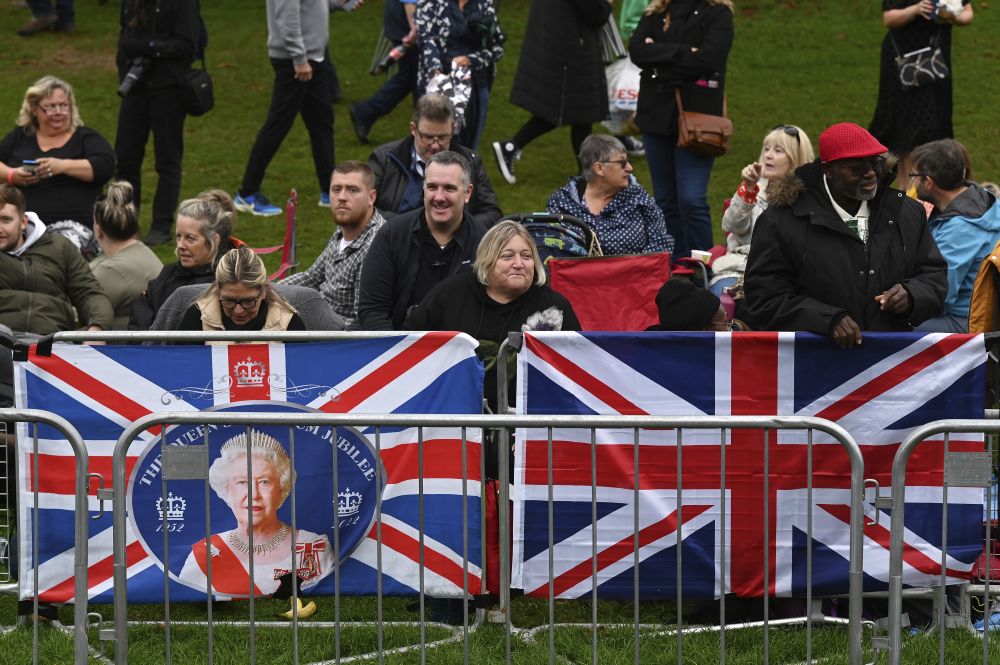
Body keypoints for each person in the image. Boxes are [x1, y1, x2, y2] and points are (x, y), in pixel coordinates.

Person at [743, 122, 947, 347]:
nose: (870, 174)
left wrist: (911, 295)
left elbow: (934, 278)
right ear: (828, 170)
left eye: (876, 163)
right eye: (857, 167)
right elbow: (763, 297)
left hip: (889, 364)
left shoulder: (908, 213)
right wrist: (825, 319)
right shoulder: (781, 220)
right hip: (815, 362)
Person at [406, 219, 580, 407]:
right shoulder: (449, 295)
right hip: (456, 414)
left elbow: (579, 368)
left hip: (535, 419)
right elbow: (410, 350)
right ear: (488, 261)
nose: (519, 264)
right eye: (507, 256)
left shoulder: (554, 306)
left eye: (526, 256)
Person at [628, 0, 734, 261]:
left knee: (691, 200)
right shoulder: (657, 12)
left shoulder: (717, 14)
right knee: (665, 201)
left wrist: (660, 59)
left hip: (698, 123)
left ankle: (703, 267)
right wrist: (686, 52)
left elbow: (711, 57)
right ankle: (676, 267)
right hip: (656, 119)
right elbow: (638, 52)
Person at [233, 0, 359, 218]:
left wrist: (338, 4)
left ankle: (329, 189)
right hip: (296, 62)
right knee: (278, 125)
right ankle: (247, 193)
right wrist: (299, 58)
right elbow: (287, 18)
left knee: (322, 123)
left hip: (313, 58)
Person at [178, 430, 334, 597]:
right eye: (242, 482)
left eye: (264, 482)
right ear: (226, 490)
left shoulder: (314, 547)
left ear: (281, 489)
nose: (254, 494)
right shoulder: (204, 554)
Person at [358, 151, 488, 331]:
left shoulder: (485, 245)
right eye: (432, 187)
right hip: (394, 347)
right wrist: (397, 354)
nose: (439, 197)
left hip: (458, 352)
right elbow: (372, 310)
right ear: (423, 188)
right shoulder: (392, 235)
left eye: (449, 188)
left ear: (467, 193)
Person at [491, 0, 611, 186]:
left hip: (558, 45)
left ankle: (585, 174)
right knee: (577, 111)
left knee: (576, 113)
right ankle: (585, 176)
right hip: (573, 49)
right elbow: (595, 14)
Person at [114, 0, 201, 246]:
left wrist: (147, 48)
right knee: (126, 159)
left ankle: (162, 226)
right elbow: (124, 39)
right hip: (135, 89)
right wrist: (125, 70)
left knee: (168, 161)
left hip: (168, 90)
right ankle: (125, 223)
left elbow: (187, 45)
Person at [869, 0, 974, 192]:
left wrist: (951, 14)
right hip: (902, 61)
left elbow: (967, 13)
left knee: (936, 122)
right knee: (904, 124)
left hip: (936, 62)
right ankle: (906, 189)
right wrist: (916, 10)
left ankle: (935, 186)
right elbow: (889, 18)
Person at [711, 124, 815, 296]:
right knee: (719, 300)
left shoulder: (809, 198)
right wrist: (748, 190)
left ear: (795, 157)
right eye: (767, 149)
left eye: (778, 150)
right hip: (739, 269)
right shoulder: (754, 189)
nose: (768, 155)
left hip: (785, 274)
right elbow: (731, 226)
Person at [368, 94, 501, 227]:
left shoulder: (471, 162)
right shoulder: (384, 159)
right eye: (428, 137)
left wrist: (459, 228)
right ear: (413, 129)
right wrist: (409, 228)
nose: (435, 145)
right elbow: (365, 207)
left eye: (443, 137)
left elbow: (492, 213)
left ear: (453, 128)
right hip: (396, 241)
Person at [909, 139, 1000, 333]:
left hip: (968, 321)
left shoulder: (959, 230)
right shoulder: (982, 196)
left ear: (929, 182)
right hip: (980, 311)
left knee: (886, 327)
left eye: (914, 176)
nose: (912, 182)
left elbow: (939, 294)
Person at [0, 76, 115, 230]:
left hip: (73, 226)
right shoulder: (19, 137)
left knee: (54, 248)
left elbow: (105, 166)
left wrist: (61, 166)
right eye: (50, 107)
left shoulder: (85, 138)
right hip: (22, 225)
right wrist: (12, 175)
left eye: (64, 106)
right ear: (34, 109)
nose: (58, 112)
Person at [281, 161, 387, 327]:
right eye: (336, 189)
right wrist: (264, 290)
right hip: (319, 323)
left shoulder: (376, 246)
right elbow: (311, 277)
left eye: (353, 190)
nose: (342, 197)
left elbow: (363, 320)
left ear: (371, 197)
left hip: (337, 341)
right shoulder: (344, 230)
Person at [0, 184, 112, 336]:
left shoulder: (59, 247)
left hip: (53, 343)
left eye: (5, 220)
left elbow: (89, 293)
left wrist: (97, 328)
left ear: (23, 221)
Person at [546, 134, 673, 256]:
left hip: (634, 275)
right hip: (578, 276)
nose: (630, 168)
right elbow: (551, 246)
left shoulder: (638, 197)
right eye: (622, 162)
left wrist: (632, 268)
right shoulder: (562, 201)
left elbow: (661, 242)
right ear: (599, 168)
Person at [130, 195, 232, 330]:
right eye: (179, 236)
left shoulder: (227, 282)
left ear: (214, 240)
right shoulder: (168, 273)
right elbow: (138, 321)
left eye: (190, 238)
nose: (181, 245)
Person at [414, 0, 505, 150]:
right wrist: (435, 70)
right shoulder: (430, 3)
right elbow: (426, 40)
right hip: (438, 83)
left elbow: (496, 47)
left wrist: (471, 60)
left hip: (475, 85)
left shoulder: (483, 5)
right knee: (433, 146)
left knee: (468, 149)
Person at [90, 181, 164, 330]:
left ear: (98, 230)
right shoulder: (143, 251)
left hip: (115, 350)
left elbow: (76, 314)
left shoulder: (109, 271)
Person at [178, 245, 306, 332]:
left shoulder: (288, 325)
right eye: (229, 301)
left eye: (248, 301)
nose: (238, 310)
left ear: (264, 290)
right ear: (217, 290)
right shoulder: (196, 318)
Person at [348, 0, 419, 144]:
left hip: (403, 20)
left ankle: (365, 113)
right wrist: (414, 30)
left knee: (411, 77)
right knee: (414, 76)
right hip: (407, 22)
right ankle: (426, 129)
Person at [645, 278, 731, 331]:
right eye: (725, 323)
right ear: (703, 331)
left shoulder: (644, 344)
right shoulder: (710, 355)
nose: (730, 330)